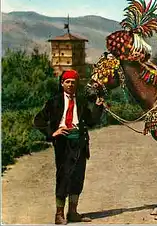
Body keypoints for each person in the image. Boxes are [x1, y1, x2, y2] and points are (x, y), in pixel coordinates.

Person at [33, 69, 104, 225]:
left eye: (73, 82)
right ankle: (59, 215)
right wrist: (53, 132)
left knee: (78, 177)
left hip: (80, 142)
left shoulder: (81, 101)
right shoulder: (54, 102)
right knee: (64, 176)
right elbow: (38, 120)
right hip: (63, 143)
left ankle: (72, 213)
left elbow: (91, 122)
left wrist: (99, 107)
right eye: (68, 82)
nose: (71, 85)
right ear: (62, 83)